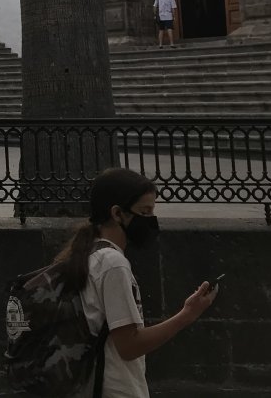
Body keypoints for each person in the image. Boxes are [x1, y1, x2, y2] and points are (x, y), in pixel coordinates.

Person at [51, 168, 217, 398]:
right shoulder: (113, 264)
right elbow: (129, 347)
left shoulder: (89, 255)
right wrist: (187, 314)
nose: (150, 220)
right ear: (117, 213)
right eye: (144, 212)